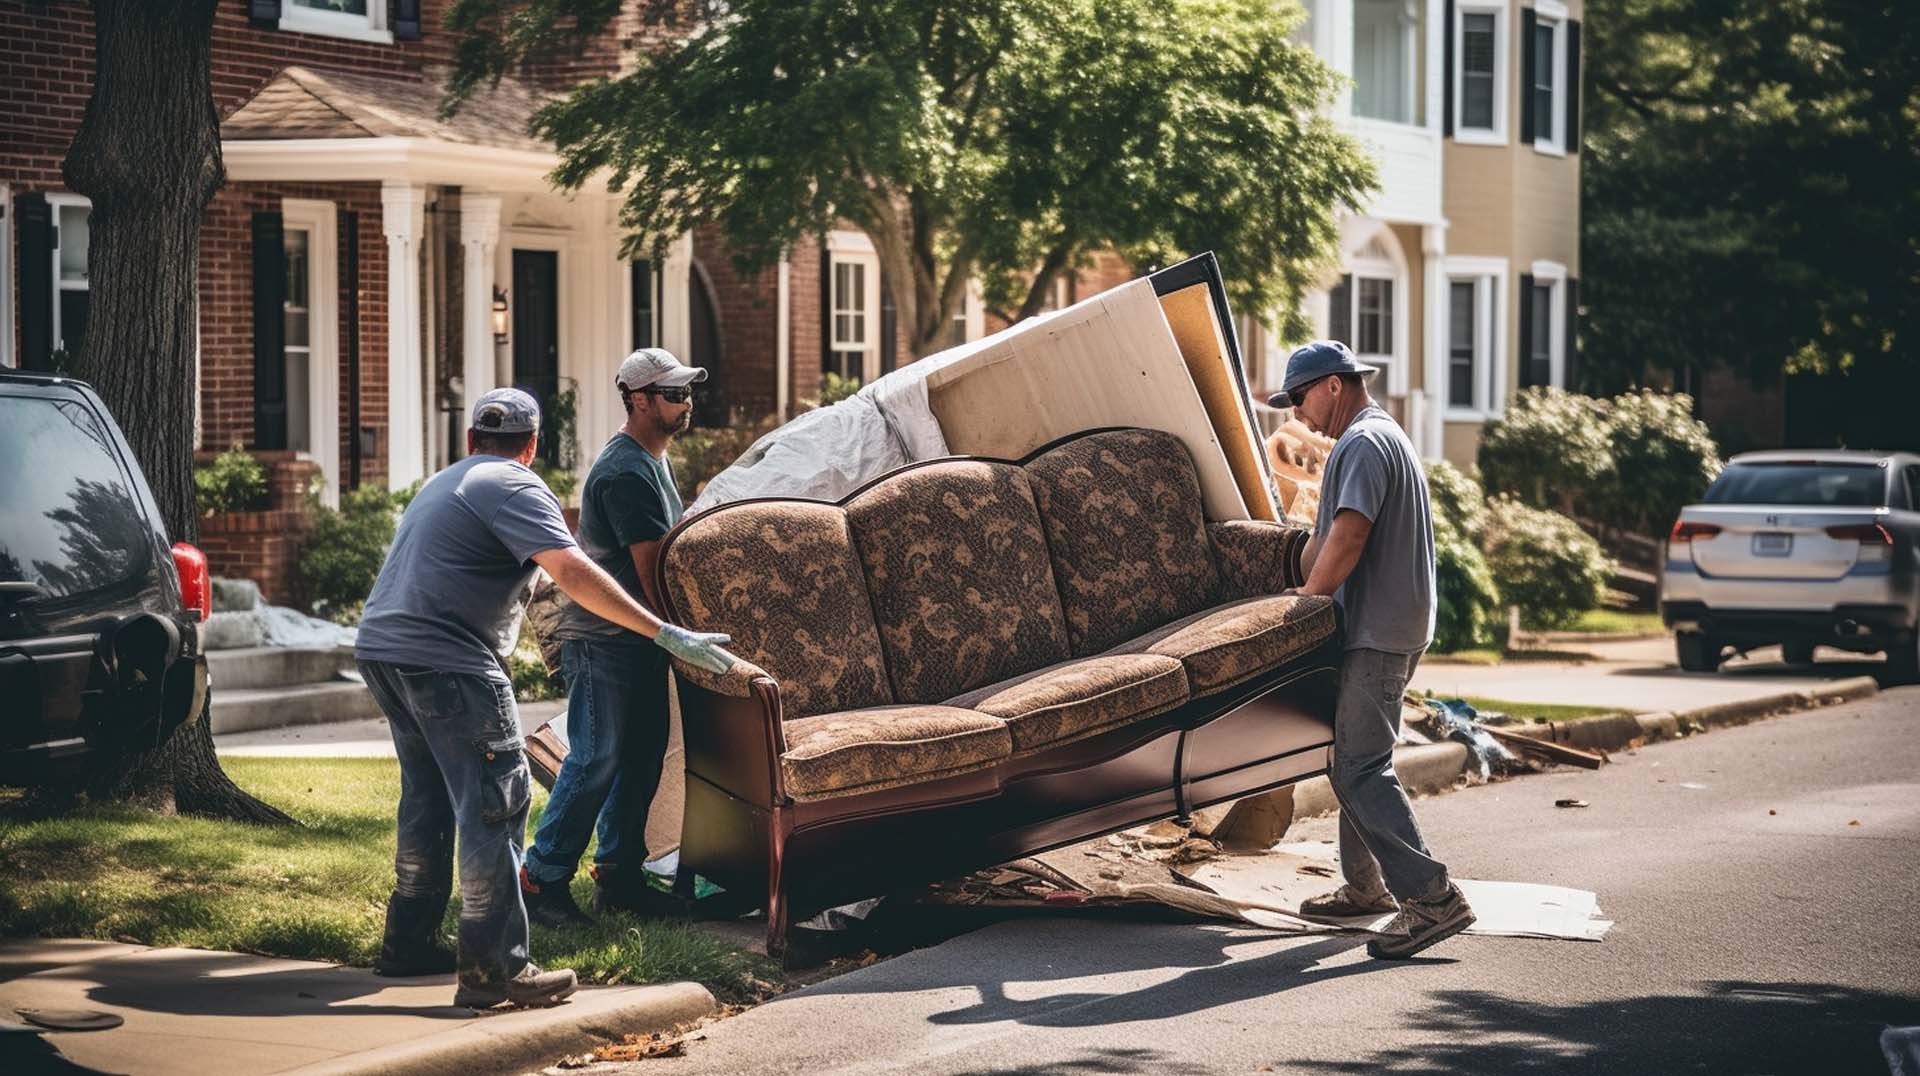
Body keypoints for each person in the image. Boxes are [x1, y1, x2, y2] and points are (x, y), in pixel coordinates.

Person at [354, 387, 732, 1009]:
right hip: (450, 661)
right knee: (496, 807)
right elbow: (572, 571)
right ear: (531, 447)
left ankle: (408, 942)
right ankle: (496, 970)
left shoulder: (446, 480)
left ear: (472, 439)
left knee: (426, 800)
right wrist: (665, 631)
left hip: (384, 650)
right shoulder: (517, 485)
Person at [1269, 340, 1476, 959]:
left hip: (1378, 629)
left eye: (1301, 397)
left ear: (1334, 385)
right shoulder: (1380, 435)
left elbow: (1350, 534)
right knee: (1350, 757)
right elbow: (1334, 531)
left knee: (1360, 765)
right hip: (1391, 621)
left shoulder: (1360, 443)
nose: (1299, 415)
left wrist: (1307, 602)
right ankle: (1366, 888)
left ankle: (1432, 900)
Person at [521, 349, 705, 927]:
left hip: (640, 639)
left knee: (641, 757)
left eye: (686, 392)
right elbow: (651, 572)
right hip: (604, 640)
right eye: (672, 394)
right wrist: (681, 636)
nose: (685, 402)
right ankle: (541, 878)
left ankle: (619, 877)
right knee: (596, 757)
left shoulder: (652, 459)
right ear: (639, 400)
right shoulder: (625, 470)